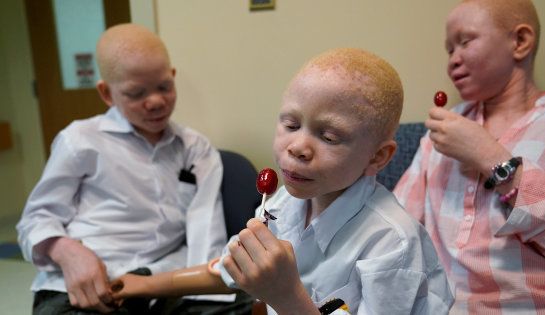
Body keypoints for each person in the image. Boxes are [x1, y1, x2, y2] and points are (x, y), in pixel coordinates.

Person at [110, 47, 454, 314]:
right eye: (290, 125)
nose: (298, 147)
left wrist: (287, 297)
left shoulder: (392, 245)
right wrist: (145, 285)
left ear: (378, 157)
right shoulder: (282, 205)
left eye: (330, 137)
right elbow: (231, 271)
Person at [394, 0, 545, 313]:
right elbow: (397, 232)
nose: (453, 60)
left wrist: (490, 157)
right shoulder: (440, 133)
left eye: (465, 42)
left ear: (520, 42)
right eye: (449, 50)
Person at [16, 23, 229, 314]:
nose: (155, 101)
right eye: (135, 93)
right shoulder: (79, 141)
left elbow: (206, 234)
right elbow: (35, 220)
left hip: (165, 281)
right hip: (91, 282)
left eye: (164, 87)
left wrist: (206, 289)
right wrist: (67, 252)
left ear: (173, 77)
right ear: (106, 93)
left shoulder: (195, 148)